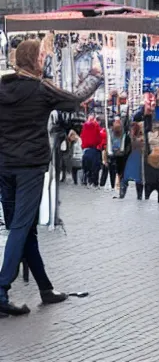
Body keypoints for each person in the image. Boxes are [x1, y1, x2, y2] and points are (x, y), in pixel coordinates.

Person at [0, 39, 101, 315]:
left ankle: (45, 288)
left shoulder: (2, 87)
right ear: (35, 60)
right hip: (30, 166)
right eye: (42, 56)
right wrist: (95, 77)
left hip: (4, 165)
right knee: (21, 227)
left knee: (22, 228)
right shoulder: (40, 89)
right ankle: (1, 289)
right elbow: (74, 99)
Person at [119, 122, 143, 200]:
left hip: (135, 158)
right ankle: (123, 194)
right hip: (131, 158)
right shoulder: (128, 137)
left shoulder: (136, 139)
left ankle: (139, 195)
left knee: (137, 178)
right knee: (126, 177)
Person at [81, 114, 102, 188]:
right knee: (95, 167)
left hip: (85, 150)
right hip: (93, 149)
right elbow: (99, 139)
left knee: (86, 167)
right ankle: (94, 183)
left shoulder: (84, 126)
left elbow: (82, 136)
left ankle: (86, 180)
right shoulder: (96, 126)